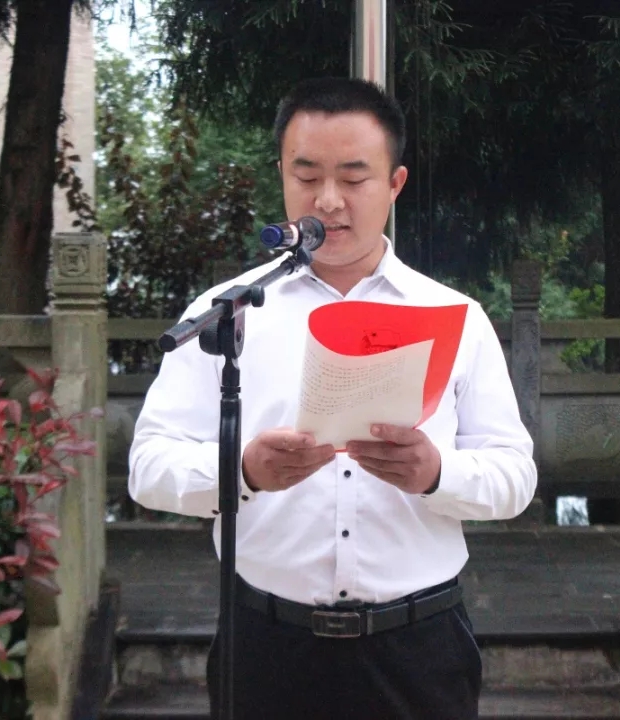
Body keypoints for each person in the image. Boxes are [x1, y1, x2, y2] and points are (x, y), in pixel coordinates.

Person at [128, 77, 537, 720]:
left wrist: (436, 474)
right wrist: (243, 471)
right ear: (281, 175)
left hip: (418, 645)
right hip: (266, 643)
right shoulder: (225, 314)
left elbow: (515, 477)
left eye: (353, 177)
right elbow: (149, 468)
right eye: (306, 175)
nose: (327, 200)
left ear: (395, 183)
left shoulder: (455, 315)